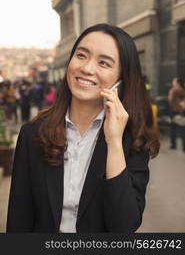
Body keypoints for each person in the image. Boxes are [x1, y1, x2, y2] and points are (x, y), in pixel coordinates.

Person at [6, 23, 160, 233]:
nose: (87, 68)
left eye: (104, 63)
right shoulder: (33, 133)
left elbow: (124, 227)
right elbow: (19, 219)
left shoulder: (132, 140)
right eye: (81, 55)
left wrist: (114, 142)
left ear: (121, 80)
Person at [168, 77, 185, 152]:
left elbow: (170, 99)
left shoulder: (174, 90)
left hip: (174, 111)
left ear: (177, 83)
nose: (172, 82)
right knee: (182, 128)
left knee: (173, 128)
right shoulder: (182, 89)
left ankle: (173, 145)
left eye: (174, 81)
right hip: (180, 111)